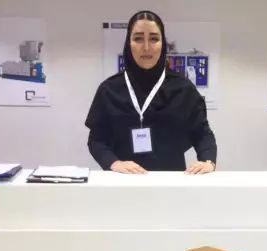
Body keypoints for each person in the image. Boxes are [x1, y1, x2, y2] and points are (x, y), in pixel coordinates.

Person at [85, 10, 217, 174]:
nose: (146, 47)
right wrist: (114, 163)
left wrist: (208, 162)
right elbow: (96, 141)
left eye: (154, 39)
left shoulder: (183, 88)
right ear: (128, 43)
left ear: (163, 43)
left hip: (169, 182)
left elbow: (202, 134)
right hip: (123, 181)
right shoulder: (109, 90)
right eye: (138, 38)